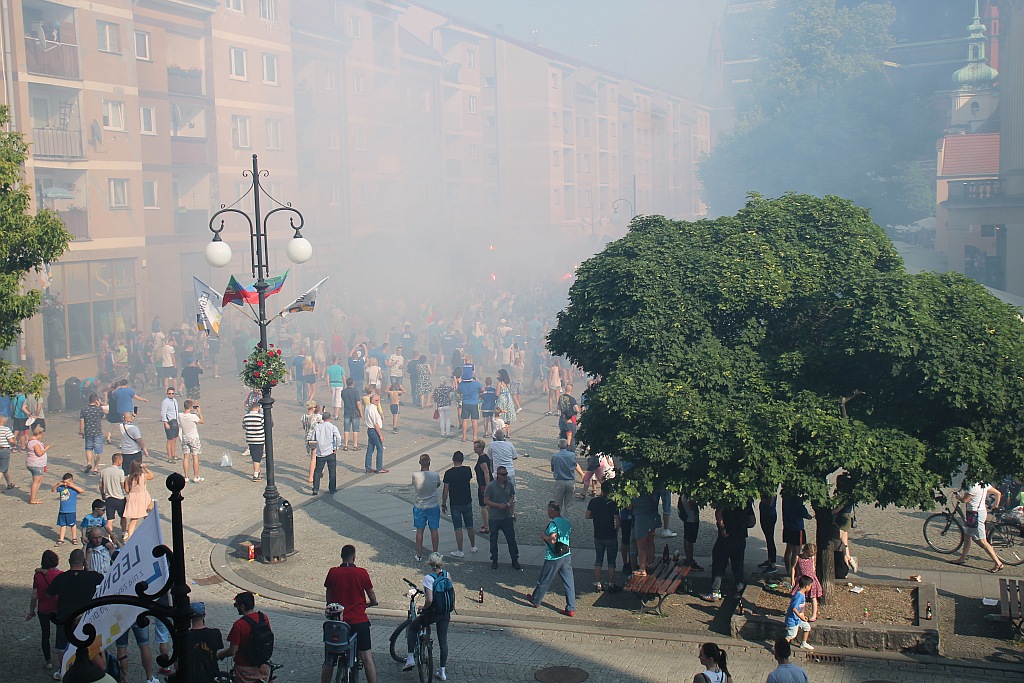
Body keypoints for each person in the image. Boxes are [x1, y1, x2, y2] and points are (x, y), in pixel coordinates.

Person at [324, 545, 379, 683]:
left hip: (338, 622)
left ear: (341, 556)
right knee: (367, 658)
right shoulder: (362, 573)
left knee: (329, 660)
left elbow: (328, 593)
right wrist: (372, 603)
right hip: (358, 621)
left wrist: (330, 606)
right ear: (354, 557)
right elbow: (371, 593)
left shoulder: (333, 572)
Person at [46, 549, 104, 664]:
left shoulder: (61, 578)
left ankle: (64, 672)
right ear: (83, 562)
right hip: (86, 618)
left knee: (63, 647)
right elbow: (102, 581)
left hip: (64, 617)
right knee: (89, 644)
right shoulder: (92, 577)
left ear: (69, 561)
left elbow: (49, 594)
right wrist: (88, 569)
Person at [402, 553, 453, 680]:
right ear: (441, 564)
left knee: (413, 627)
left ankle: (410, 658)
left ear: (430, 564)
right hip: (445, 612)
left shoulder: (428, 578)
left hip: (433, 613)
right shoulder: (447, 575)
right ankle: (442, 672)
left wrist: (423, 608)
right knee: (443, 640)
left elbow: (429, 599)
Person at [526, 501, 577, 616]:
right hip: (566, 554)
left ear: (553, 512)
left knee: (544, 579)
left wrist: (544, 537)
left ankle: (535, 600)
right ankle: (571, 608)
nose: (548, 513)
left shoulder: (553, 524)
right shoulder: (567, 522)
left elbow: (553, 539)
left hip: (554, 557)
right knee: (569, 582)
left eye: (548, 511)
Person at [703, 502, 756, 602]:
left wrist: (723, 528)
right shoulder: (746, 500)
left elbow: (718, 513)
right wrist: (742, 525)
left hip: (726, 536)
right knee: (738, 565)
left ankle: (715, 592)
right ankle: (739, 591)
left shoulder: (725, 498)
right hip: (740, 537)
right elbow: (752, 521)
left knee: (719, 563)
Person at [218, 591, 272, 683]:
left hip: (244, 670)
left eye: (236, 605)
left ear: (242, 606)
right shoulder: (264, 618)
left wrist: (219, 655)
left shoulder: (239, 625)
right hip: (262, 667)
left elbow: (232, 651)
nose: (236, 607)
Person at [950, 480, 1004, 572]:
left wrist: (958, 497)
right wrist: (996, 504)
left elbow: (965, 500)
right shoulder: (984, 483)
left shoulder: (972, 485)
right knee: (967, 536)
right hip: (980, 512)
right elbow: (998, 493)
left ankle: (998, 563)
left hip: (974, 514)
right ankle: (962, 558)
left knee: (982, 541)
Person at [28, 549, 62, 671]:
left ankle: (48, 661)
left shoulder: (38, 575)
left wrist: (31, 611)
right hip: (58, 608)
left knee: (45, 635)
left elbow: (34, 595)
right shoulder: (60, 574)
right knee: (62, 632)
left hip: (43, 608)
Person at [484, 466, 521, 570]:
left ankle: (515, 560)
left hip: (506, 517)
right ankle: (494, 560)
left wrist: (509, 503)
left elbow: (512, 495)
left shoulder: (509, 484)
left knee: (511, 540)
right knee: (493, 540)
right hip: (494, 518)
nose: (505, 476)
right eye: (503, 475)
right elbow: (486, 500)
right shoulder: (491, 486)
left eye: (506, 474)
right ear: (498, 475)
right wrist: (497, 505)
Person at [175, 602, 223, 683]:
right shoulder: (215, 633)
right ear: (204, 616)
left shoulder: (183, 637)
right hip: (210, 675)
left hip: (191, 677)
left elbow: (177, 664)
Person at [441, 451, 477, 557]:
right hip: (467, 500)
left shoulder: (449, 473)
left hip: (455, 502)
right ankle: (473, 546)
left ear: (453, 459)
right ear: (462, 459)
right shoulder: (467, 470)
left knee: (458, 527)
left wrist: (443, 503)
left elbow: (445, 490)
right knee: (470, 525)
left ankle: (460, 550)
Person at [586, 480, 619, 592]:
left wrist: (596, 517)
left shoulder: (593, 501)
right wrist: (616, 529)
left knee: (598, 559)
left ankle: (598, 583)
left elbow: (587, 515)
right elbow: (618, 521)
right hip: (610, 534)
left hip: (598, 534)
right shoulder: (612, 503)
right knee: (611, 561)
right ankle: (611, 583)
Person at [412, 453, 442, 562]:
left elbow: (414, 485)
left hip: (419, 506)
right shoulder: (435, 475)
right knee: (434, 530)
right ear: (429, 462)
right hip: (433, 505)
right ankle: (435, 554)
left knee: (420, 530)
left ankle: (419, 554)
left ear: (420, 462)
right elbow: (437, 485)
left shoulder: (415, 475)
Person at [782, 495, 812, 584]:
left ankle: (788, 570)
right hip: (796, 528)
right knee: (796, 551)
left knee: (788, 549)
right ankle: (794, 571)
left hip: (787, 526)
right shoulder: (797, 500)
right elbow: (805, 514)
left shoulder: (786, 497)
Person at [100, 453, 127, 544]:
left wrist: (102, 493)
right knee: (123, 517)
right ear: (119, 461)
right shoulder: (120, 472)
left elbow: (101, 485)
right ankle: (123, 532)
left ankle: (109, 537)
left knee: (109, 519)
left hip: (109, 498)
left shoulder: (104, 471)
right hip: (119, 498)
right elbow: (123, 485)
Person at [123, 460, 155, 540]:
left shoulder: (128, 477)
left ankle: (130, 536)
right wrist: (146, 468)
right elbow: (152, 476)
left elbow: (127, 490)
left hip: (133, 497)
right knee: (146, 516)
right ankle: (150, 533)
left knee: (133, 519)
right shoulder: (143, 476)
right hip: (143, 496)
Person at [312, 412, 342, 495]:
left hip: (320, 453)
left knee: (318, 471)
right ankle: (332, 488)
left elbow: (313, 439)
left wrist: (315, 447)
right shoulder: (332, 427)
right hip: (330, 452)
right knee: (332, 471)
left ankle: (315, 488)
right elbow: (338, 437)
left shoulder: (317, 427)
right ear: (329, 418)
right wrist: (336, 447)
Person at [52, 472, 85, 546]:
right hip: (62, 510)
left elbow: (81, 490)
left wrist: (72, 486)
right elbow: (53, 490)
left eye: (67, 483)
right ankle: (61, 539)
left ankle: (74, 538)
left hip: (71, 510)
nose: (65, 484)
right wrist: (58, 484)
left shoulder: (73, 489)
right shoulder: (62, 488)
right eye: (64, 482)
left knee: (72, 524)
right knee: (62, 525)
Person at [791, 544, 822, 621]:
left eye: (811, 555)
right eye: (808, 554)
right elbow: (793, 568)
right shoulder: (798, 557)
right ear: (804, 550)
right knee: (801, 597)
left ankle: (814, 614)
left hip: (811, 579)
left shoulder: (812, 558)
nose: (809, 556)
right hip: (801, 579)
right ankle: (802, 613)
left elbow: (813, 568)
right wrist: (792, 578)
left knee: (813, 597)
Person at [550, 439, 582, 512]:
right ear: (567, 445)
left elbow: (552, 469)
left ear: (558, 446)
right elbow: (575, 465)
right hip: (570, 481)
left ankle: (558, 521)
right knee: (569, 505)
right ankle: (567, 520)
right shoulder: (572, 455)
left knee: (558, 504)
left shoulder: (555, 456)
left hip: (559, 481)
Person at [79, 394, 106, 475]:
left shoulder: (84, 409)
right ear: (96, 401)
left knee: (88, 448)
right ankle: (96, 468)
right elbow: (104, 417)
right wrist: (100, 406)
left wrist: (81, 431)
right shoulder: (98, 409)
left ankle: (89, 463)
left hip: (88, 432)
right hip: (97, 432)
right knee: (97, 451)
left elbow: (81, 421)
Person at [785, 576, 815, 650]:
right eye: (810, 586)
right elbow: (794, 608)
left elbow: (802, 606)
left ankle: (803, 643)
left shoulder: (802, 594)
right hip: (793, 620)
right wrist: (800, 616)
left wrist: (802, 614)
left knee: (807, 627)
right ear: (806, 586)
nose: (811, 587)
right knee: (791, 635)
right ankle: (782, 646)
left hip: (798, 619)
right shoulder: (799, 596)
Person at [179, 399, 205, 483]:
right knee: (195, 457)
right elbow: (202, 421)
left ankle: (186, 476)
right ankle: (196, 476)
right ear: (190, 407)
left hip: (185, 437)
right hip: (193, 437)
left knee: (186, 457)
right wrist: (199, 412)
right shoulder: (193, 416)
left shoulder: (180, 415)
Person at [677, 493, 704, 571]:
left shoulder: (684, 492)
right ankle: (690, 561)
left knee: (687, 539)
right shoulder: (691, 493)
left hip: (688, 518)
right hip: (691, 518)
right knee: (689, 540)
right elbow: (691, 506)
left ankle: (689, 559)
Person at [118, 410, 150, 477]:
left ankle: (127, 483)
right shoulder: (134, 428)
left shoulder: (121, 426)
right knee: (137, 470)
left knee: (126, 470)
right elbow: (139, 441)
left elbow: (126, 419)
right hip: (135, 452)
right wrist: (144, 449)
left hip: (125, 452)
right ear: (131, 418)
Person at [363, 394, 388, 474]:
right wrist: (380, 435)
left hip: (370, 430)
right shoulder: (372, 409)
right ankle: (379, 467)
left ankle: (368, 467)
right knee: (380, 448)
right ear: (373, 401)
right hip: (374, 430)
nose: (378, 402)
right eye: (377, 400)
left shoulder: (368, 407)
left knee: (370, 449)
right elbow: (376, 424)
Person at [26, 425, 50, 504]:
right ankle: (32, 498)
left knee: (39, 481)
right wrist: (46, 448)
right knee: (36, 482)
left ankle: (34, 497)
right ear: (39, 434)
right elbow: (39, 453)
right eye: (42, 435)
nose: (42, 437)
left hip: (35, 464)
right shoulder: (35, 443)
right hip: (36, 464)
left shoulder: (31, 441)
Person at [242, 402, 265, 481]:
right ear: (258, 408)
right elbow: (267, 425)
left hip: (250, 439)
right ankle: (256, 474)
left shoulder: (246, 417)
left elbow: (244, 426)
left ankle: (257, 471)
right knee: (257, 458)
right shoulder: (260, 417)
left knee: (254, 456)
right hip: (259, 439)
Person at [302, 401, 324, 484]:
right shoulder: (317, 416)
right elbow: (323, 424)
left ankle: (320, 470)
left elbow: (304, 427)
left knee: (314, 456)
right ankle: (311, 477)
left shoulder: (304, 416)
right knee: (315, 457)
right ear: (313, 408)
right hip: (315, 438)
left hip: (307, 438)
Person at [473, 440, 492, 534]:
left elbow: (486, 472)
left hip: (483, 485)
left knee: (483, 505)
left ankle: (486, 526)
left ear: (480, 448)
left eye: (476, 447)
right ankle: (488, 524)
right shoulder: (485, 457)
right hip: (485, 484)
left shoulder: (482, 459)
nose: (474, 448)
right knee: (487, 505)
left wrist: (487, 486)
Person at [458, 372, 482, 442]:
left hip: (465, 403)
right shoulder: (475, 383)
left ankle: (464, 437)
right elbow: (482, 389)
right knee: (474, 420)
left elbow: (458, 390)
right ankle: (474, 437)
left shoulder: (461, 384)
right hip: (474, 403)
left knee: (465, 420)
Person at [160, 386, 181, 466]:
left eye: (172, 393)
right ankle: (169, 457)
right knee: (170, 440)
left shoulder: (175, 401)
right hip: (169, 422)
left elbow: (176, 412)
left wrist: (178, 421)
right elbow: (163, 413)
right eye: (169, 393)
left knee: (174, 439)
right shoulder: (165, 402)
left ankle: (173, 454)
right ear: (167, 393)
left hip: (175, 422)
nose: (171, 395)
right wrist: (165, 422)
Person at [758, 495, 779, 573]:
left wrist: (762, 499)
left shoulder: (771, 490)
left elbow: (770, 503)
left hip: (769, 516)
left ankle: (773, 564)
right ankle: (770, 559)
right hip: (764, 514)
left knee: (770, 539)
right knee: (768, 538)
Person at [340, 377, 362, 451]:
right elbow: (358, 403)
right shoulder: (356, 391)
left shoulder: (343, 391)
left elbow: (343, 399)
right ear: (353, 383)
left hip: (346, 411)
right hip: (355, 412)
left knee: (346, 429)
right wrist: (361, 412)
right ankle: (355, 445)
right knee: (355, 429)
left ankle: (346, 445)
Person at [0, 414, 14, 491]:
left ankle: (9, 483)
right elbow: (11, 440)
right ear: (4, 421)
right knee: (2, 469)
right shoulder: (6, 429)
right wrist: (14, 443)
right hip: (4, 450)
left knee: (4, 467)